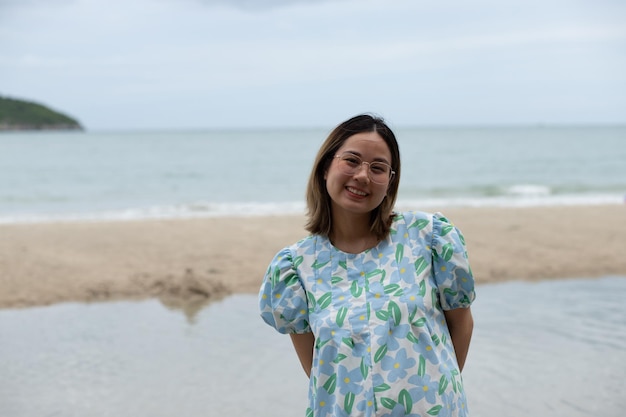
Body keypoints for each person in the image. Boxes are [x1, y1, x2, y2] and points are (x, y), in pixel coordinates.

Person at [259, 114, 476, 417]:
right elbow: (321, 373)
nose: (363, 175)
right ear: (325, 167)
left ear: (390, 181)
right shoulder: (296, 268)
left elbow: (461, 323)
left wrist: (437, 392)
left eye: (378, 168)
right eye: (352, 160)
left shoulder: (428, 237)